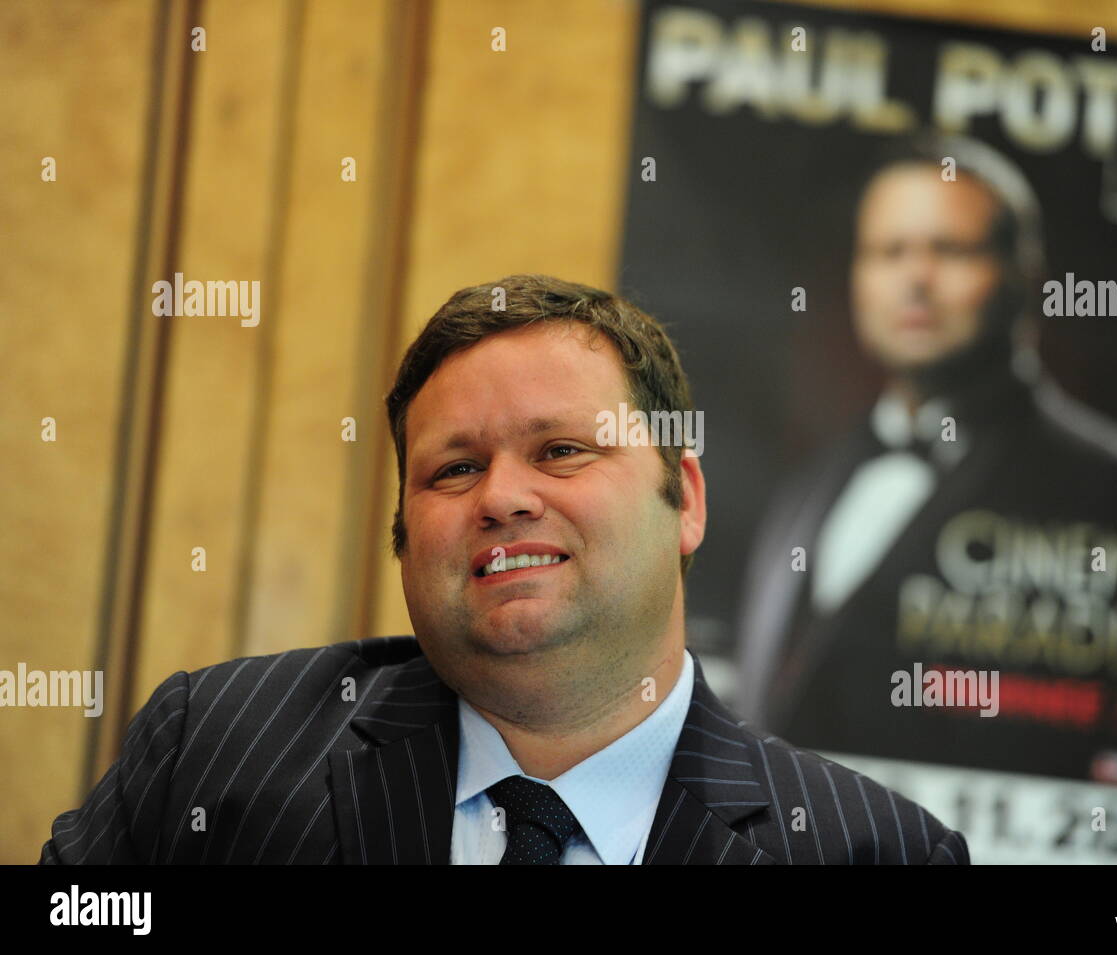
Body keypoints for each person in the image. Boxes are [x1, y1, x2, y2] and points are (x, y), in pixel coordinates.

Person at [40, 273, 968, 865]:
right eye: (454, 468)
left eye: (561, 450)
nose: (503, 497)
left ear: (683, 498)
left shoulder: (871, 852)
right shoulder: (216, 749)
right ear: (404, 534)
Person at [733, 136, 1117, 770]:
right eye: (889, 252)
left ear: (1025, 276)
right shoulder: (808, 485)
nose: (915, 279)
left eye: (951, 249)